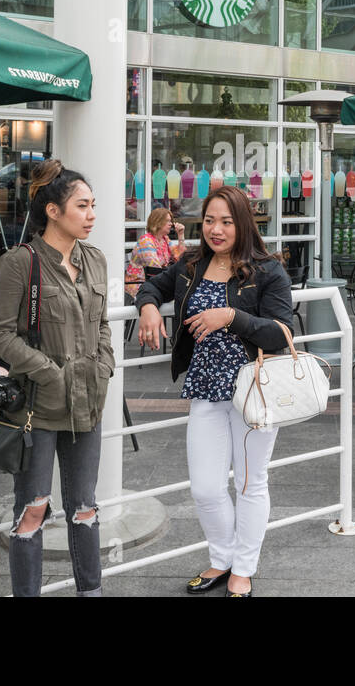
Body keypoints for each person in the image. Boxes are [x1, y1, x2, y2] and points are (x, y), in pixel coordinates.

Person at [135, 185, 293, 598]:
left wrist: (232, 317)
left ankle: (242, 567)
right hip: (205, 389)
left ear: (241, 223)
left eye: (225, 221)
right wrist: (149, 306)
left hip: (251, 391)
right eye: (209, 220)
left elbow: (282, 332)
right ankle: (221, 559)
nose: (216, 229)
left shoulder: (267, 270)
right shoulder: (190, 264)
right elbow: (151, 286)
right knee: (205, 487)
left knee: (249, 483)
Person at [0, 160, 114, 598]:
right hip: (37, 409)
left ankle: (90, 590)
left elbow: (102, 325)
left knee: (85, 508)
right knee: (32, 510)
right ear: (54, 211)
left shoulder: (95, 260)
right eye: (82, 205)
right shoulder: (19, 263)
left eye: (93, 205)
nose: (92, 214)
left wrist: (106, 365)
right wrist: (49, 371)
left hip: (87, 404)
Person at [124, 207, 186, 297]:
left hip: (155, 282)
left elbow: (180, 257)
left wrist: (181, 235)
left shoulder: (164, 239)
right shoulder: (146, 241)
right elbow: (155, 269)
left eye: (171, 221)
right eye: (167, 221)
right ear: (158, 222)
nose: (171, 224)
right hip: (139, 285)